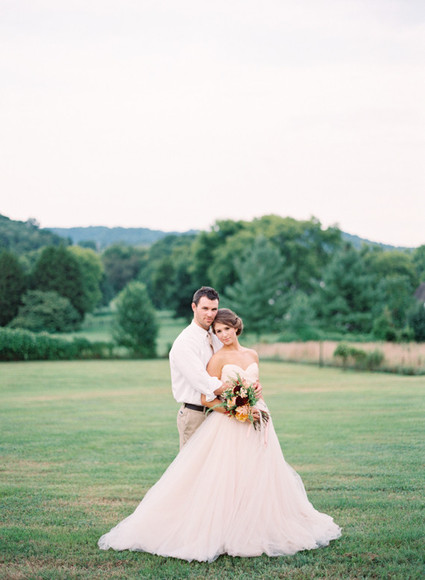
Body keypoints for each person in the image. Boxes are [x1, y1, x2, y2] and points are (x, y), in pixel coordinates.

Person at [98, 308, 341, 561]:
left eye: (226, 329)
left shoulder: (252, 354)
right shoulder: (217, 359)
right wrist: (239, 412)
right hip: (230, 424)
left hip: (259, 419)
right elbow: (207, 398)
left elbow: (253, 387)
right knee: (226, 477)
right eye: (218, 331)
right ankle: (223, 529)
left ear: (236, 327)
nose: (223, 334)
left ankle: (256, 525)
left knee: (258, 474)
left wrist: (258, 396)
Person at [168, 286, 225, 448]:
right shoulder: (185, 342)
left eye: (214, 309)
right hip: (195, 415)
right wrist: (238, 390)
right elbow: (202, 381)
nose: (210, 314)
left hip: (218, 413)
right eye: (205, 308)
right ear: (194, 307)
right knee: (193, 464)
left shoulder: (217, 337)